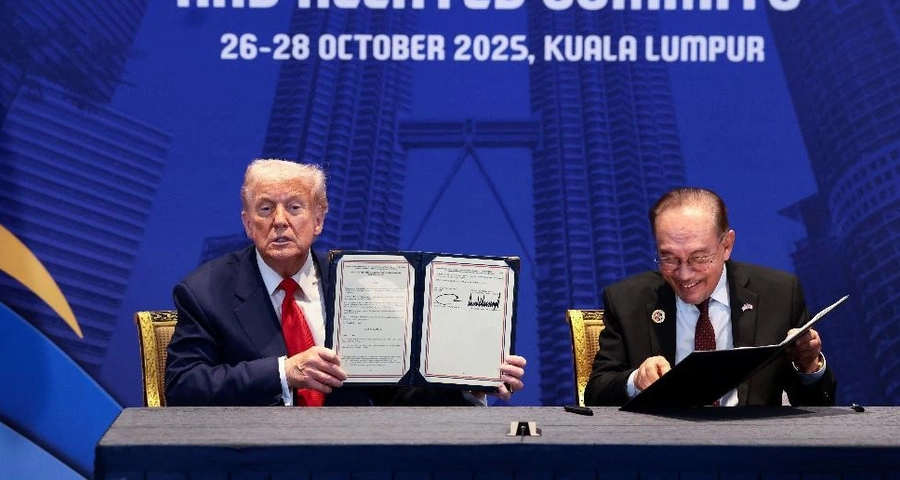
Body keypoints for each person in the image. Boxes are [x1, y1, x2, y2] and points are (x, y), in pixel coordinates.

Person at [165, 158, 526, 406]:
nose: (279, 221)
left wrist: (469, 380)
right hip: (252, 461)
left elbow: (396, 395)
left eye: (294, 207)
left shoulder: (359, 286)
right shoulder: (205, 291)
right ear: (247, 222)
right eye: (265, 209)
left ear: (318, 220)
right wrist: (284, 372)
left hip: (350, 460)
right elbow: (184, 385)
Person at [584, 187, 836, 407]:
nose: (683, 274)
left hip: (752, 450)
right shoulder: (627, 300)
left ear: (727, 245)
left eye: (699, 257)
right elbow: (596, 393)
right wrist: (635, 381)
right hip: (665, 450)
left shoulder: (778, 293)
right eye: (669, 258)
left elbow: (817, 405)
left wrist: (808, 366)